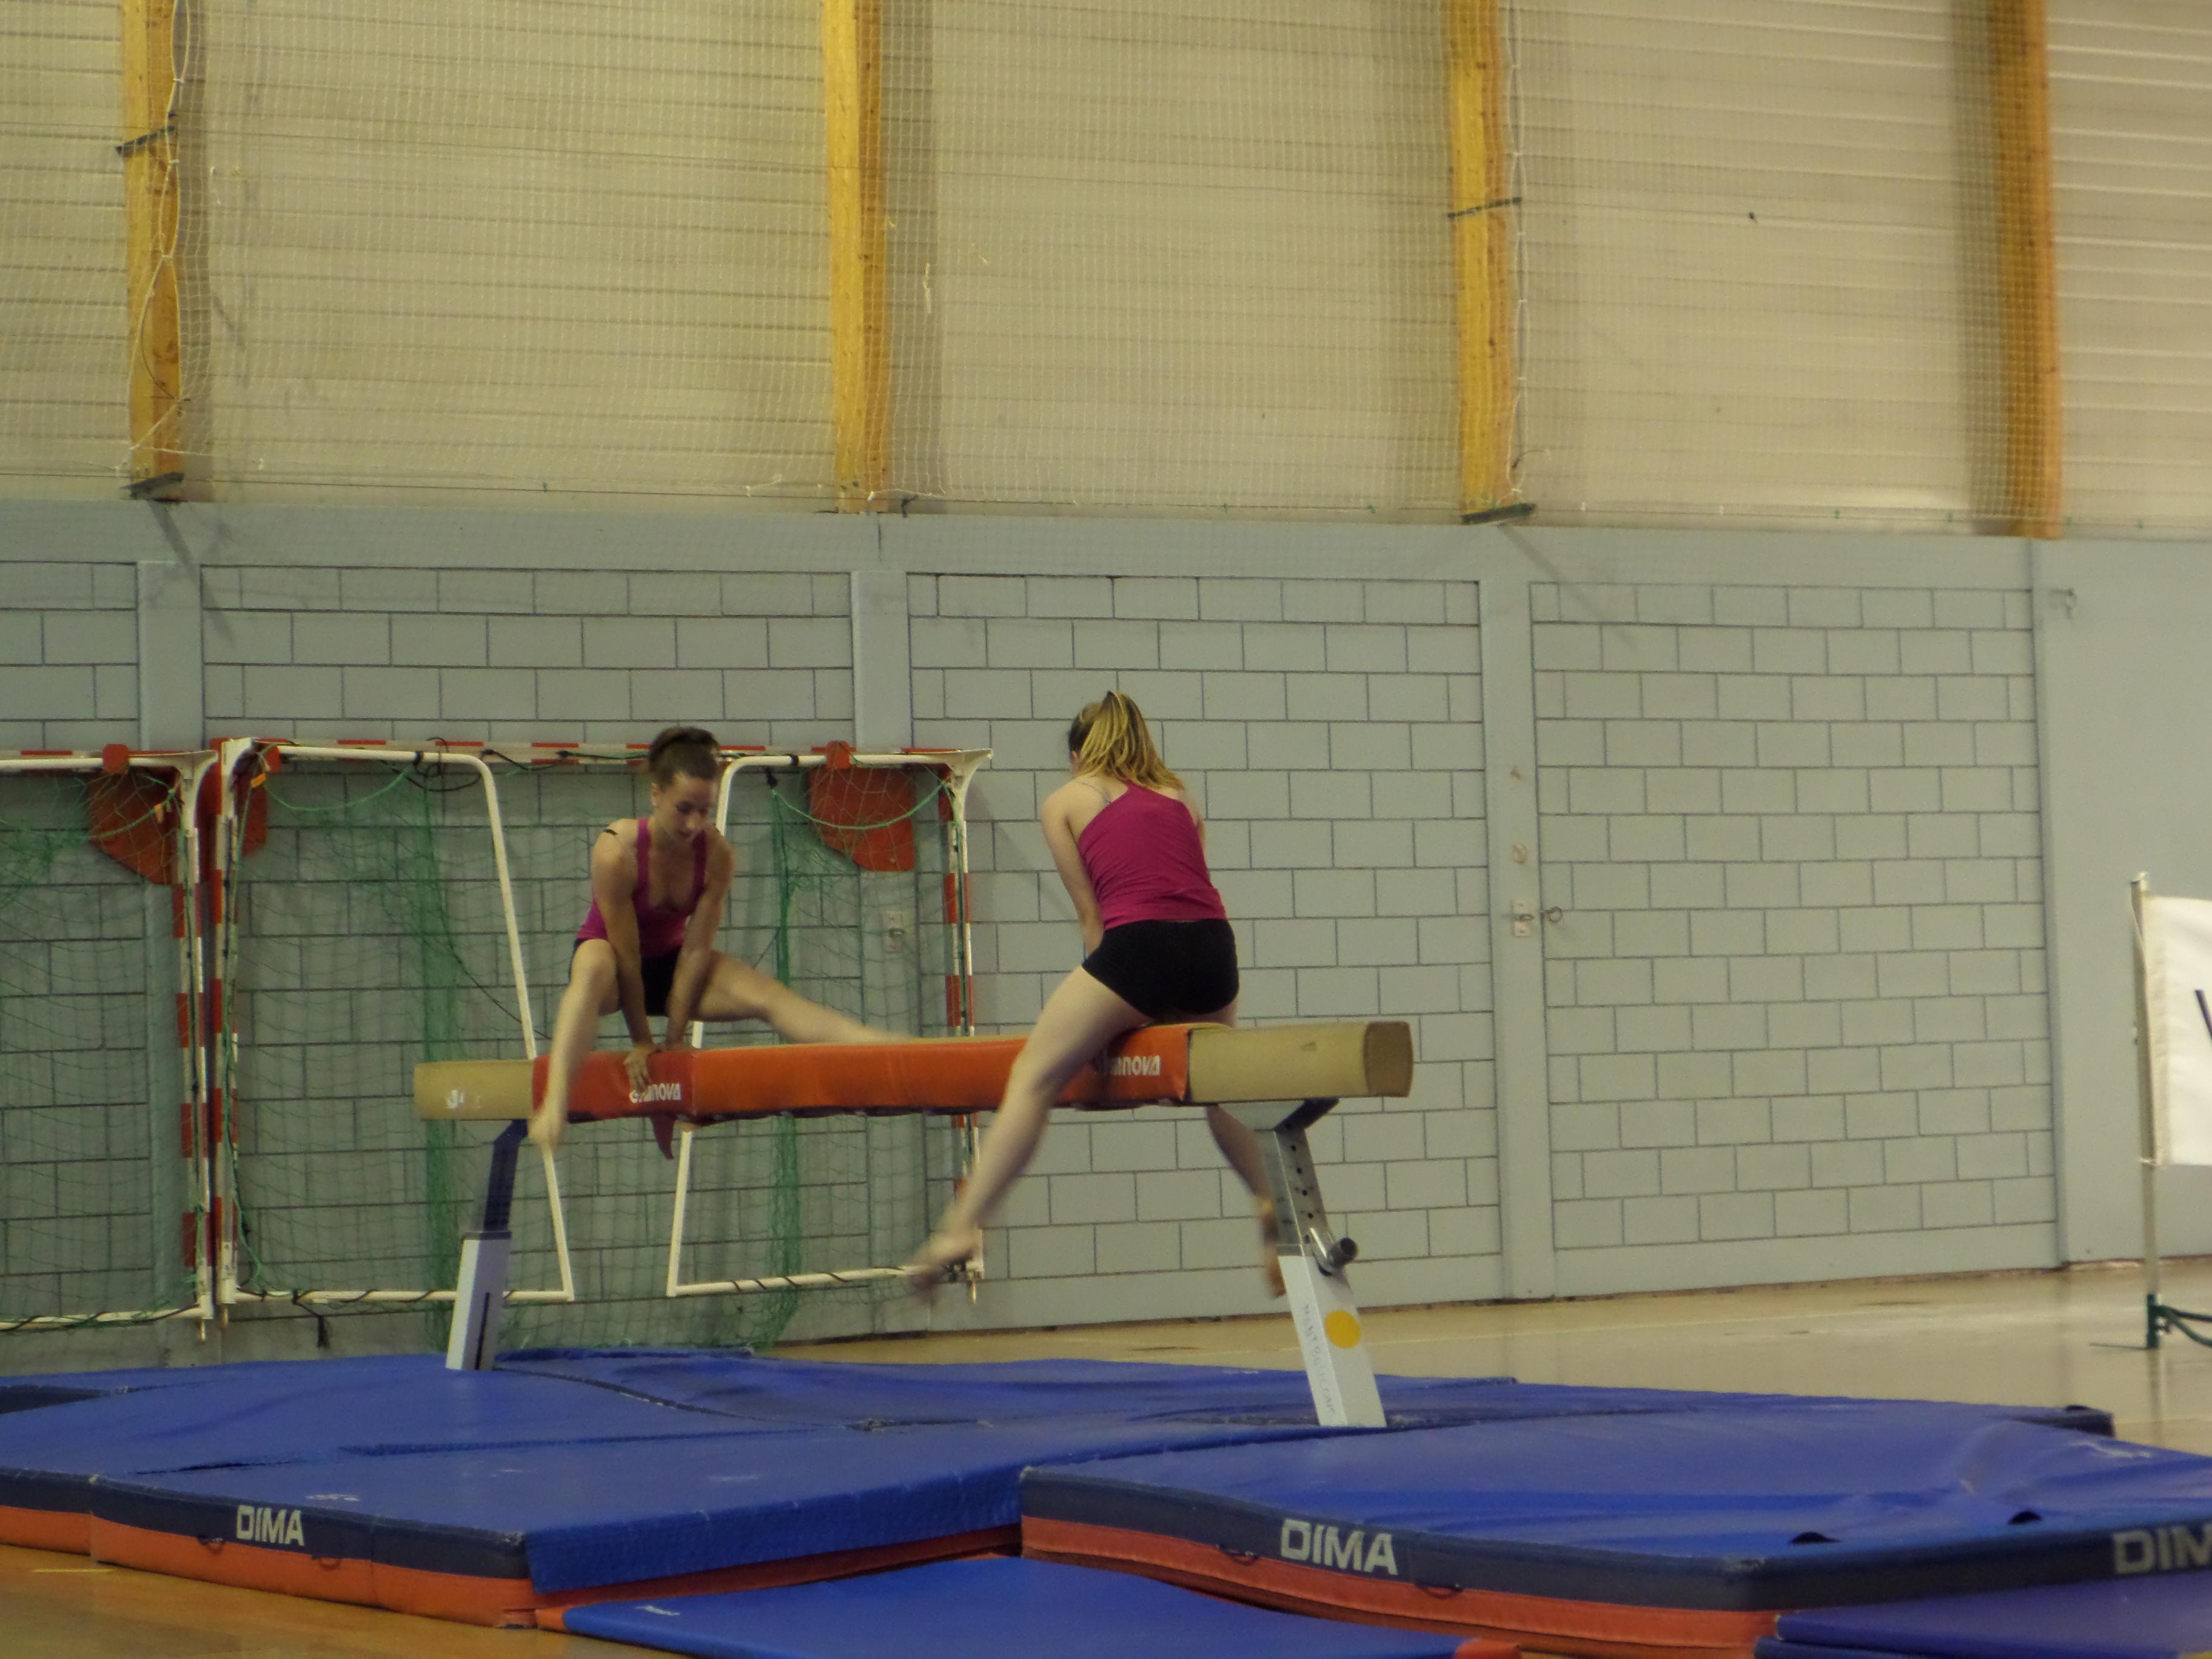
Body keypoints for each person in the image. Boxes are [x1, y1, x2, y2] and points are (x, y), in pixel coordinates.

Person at [903, 691, 1280, 1296]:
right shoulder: (1179, 798)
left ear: (1079, 755)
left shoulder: (1064, 801)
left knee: (1034, 1075)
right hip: (1214, 946)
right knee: (1218, 1082)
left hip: (1140, 945)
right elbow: (1185, 889)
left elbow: (1094, 918)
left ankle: (962, 1226)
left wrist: (1107, 1011)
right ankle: (1268, 1198)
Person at [529, 725, 889, 1152]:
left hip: (673, 963)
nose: (694, 824)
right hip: (613, 968)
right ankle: (555, 1103)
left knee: (766, 995)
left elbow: (695, 951)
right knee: (591, 967)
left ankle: (888, 1051)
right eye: (684, 809)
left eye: (704, 811)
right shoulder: (618, 851)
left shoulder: (717, 856)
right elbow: (627, 954)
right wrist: (643, 1041)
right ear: (656, 794)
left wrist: (673, 1044)